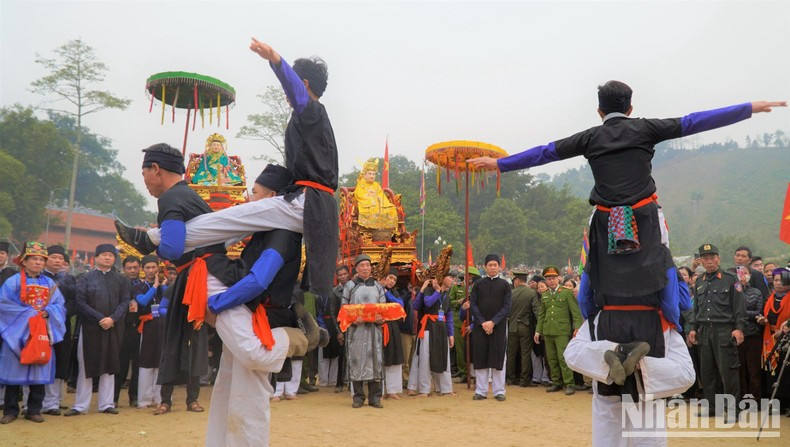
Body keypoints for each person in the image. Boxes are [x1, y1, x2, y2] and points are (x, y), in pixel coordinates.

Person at [470, 88, 785, 302]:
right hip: (645, 215)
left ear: (599, 111)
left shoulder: (589, 137)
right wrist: (747, 109)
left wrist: (500, 164)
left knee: (590, 269)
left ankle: (589, 318)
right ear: (630, 108)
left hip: (605, 217)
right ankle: (673, 321)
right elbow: (692, 122)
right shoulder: (646, 128)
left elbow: (545, 152)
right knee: (664, 260)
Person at [118, 39, 339, 297]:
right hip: (310, 203)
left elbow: (298, 93)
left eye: (292, 86)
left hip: (309, 203)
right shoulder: (311, 120)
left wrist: (276, 60)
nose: (287, 94)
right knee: (236, 226)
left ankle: (153, 239)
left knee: (234, 217)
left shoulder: (312, 113)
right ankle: (162, 239)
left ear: (304, 84)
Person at [204, 164, 314, 447]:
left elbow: (258, 281)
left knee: (247, 397)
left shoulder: (282, 234)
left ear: (273, 197)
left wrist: (217, 303)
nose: (249, 198)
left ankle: (296, 339)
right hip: (247, 311)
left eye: (254, 192)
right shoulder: (265, 230)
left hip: (260, 317)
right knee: (226, 387)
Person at [0, 241, 66, 424]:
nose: (38, 263)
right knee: (14, 371)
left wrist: (48, 312)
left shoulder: (50, 283)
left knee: (39, 368)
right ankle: (11, 410)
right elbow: (3, 304)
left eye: (41, 260)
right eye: (34, 259)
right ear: (24, 261)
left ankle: (34, 409)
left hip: (40, 332)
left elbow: (59, 305)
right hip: (17, 333)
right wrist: (28, 314)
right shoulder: (13, 282)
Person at [66, 244, 129, 416]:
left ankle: (106, 404)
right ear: (96, 258)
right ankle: (80, 405)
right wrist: (100, 318)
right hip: (91, 328)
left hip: (113, 327)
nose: (108, 257)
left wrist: (112, 318)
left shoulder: (121, 280)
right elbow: (80, 302)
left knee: (110, 365)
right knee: (86, 365)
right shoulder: (86, 278)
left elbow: (125, 301)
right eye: (104, 255)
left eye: (111, 255)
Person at [686, 244, 747, 420]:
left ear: (718, 259)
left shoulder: (731, 279)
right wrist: (693, 328)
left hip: (724, 330)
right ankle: (713, 407)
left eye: (712, 258)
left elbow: (739, 307)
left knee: (728, 372)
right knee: (707, 372)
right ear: (701, 261)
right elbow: (696, 309)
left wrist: (739, 329)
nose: (709, 261)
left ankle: (734, 410)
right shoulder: (700, 281)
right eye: (705, 258)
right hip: (704, 331)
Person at [343, 254, 387, 408]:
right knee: (356, 361)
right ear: (356, 268)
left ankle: (375, 398)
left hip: (374, 331)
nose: (365, 268)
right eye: (362, 265)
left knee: (376, 361)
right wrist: (353, 319)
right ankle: (358, 397)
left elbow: (383, 308)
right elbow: (344, 309)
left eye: (368, 265)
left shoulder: (377, 286)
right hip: (357, 331)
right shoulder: (350, 286)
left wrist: (381, 319)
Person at [534, 265, 583, 395]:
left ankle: (569, 383)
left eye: (553, 278)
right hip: (548, 331)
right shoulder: (545, 294)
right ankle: (556, 382)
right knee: (552, 359)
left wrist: (577, 328)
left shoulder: (566, 293)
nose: (551, 281)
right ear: (545, 280)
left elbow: (575, 313)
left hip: (562, 331)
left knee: (563, 358)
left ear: (559, 278)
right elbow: (542, 314)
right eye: (549, 278)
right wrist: (538, 331)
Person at [40, 245, 77, 416]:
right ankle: (32, 402)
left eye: (60, 258)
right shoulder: (37, 277)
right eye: (53, 257)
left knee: (58, 362)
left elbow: (74, 301)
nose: (57, 261)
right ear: (45, 259)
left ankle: (53, 403)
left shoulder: (69, 279)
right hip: (39, 325)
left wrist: (58, 315)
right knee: (38, 359)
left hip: (61, 326)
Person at [470, 255, 511, 401]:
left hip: (498, 327)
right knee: (481, 356)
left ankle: (499, 391)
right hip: (480, 326)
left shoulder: (505, 285)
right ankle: (481, 390)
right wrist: (483, 322)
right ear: (485, 267)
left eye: (495, 265)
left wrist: (493, 322)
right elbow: (473, 304)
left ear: (499, 267)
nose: (492, 267)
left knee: (498, 357)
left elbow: (507, 306)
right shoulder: (478, 284)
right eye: (490, 265)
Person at [407, 275, 455, 397]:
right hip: (428, 327)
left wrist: (451, 334)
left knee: (443, 357)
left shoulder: (447, 296)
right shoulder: (428, 290)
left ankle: (445, 388)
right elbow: (427, 303)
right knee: (425, 358)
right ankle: (424, 389)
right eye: (450, 277)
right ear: (442, 278)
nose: (452, 280)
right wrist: (437, 291)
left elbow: (449, 316)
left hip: (441, 329)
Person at [134, 255, 168, 408]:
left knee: (161, 361)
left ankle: (160, 398)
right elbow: (142, 301)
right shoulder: (139, 286)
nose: (150, 270)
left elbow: (169, 301)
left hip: (162, 325)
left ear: (158, 268)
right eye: (147, 267)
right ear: (143, 269)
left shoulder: (164, 286)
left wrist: (162, 286)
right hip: (147, 327)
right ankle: (144, 399)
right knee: (146, 362)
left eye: (153, 267)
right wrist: (154, 286)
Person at [758, 268, 790, 416]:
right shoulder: (769, 298)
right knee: (772, 371)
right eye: (776, 280)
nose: (778, 283)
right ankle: (776, 403)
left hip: (786, 339)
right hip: (770, 337)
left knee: (786, 372)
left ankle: (787, 403)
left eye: (782, 280)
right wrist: (762, 320)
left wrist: (783, 330)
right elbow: (764, 313)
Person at [115, 256, 142, 408]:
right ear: (123, 269)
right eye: (129, 268)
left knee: (138, 364)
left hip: (139, 327)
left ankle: (134, 397)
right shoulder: (118, 284)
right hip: (122, 328)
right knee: (121, 364)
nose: (132, 271)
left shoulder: (143, 285)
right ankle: (114, 398)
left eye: (135, 268)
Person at [506, 270, 540, 387]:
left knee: (511, 354)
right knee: (525, 354)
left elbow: (506, 310)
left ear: (516, 280)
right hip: (525, 326)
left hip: (512, 326)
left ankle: (510, 378)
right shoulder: (531, 293)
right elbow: (537, 311)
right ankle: (524, 380)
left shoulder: (511, 293)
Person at [354, 158, 398, 230]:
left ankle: (386, 229)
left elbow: (382, 195)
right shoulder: (361, 184)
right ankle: (371, 228)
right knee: (373, 207)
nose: (372, 176)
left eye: (373, 174)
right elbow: (359, 195)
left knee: (391, 208)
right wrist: (371, 197)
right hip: (367, 203)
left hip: (378, 203)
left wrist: (381, 201)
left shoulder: (376, 185)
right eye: (370, 174)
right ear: (364, 175)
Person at [381, 273, 406, 399]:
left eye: (394, 279)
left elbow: (400, 304)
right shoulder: (375, 290)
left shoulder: (394, 293)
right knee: (380, 359)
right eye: (390, 277)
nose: (392, 281)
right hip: (379, 326)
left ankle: (392, 390)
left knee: (394, 357)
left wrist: (387, 294)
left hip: (393, 327)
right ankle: (379, 391)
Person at [330, 265, 350, 392]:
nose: (343, 277)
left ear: (348, 274)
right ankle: (339, 383)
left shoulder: (354, 288)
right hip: (342, 327)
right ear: (337, 277)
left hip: (354, 325)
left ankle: (352, 383)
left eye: (344, 274)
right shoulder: (335, 291)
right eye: (340, 275)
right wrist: (338, 332)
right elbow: (333, 313)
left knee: (354, 356)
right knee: (342, 356)